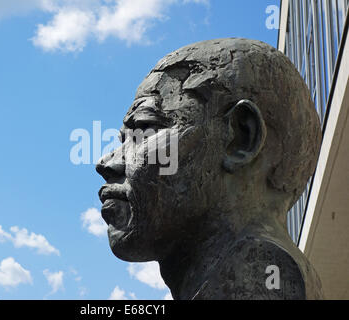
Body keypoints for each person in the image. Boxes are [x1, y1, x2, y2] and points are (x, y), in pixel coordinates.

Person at [96, 38, 324, 299]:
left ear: (240, 138)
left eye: (144, 129)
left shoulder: (261, 281)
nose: (106, 162)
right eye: (123, 140)